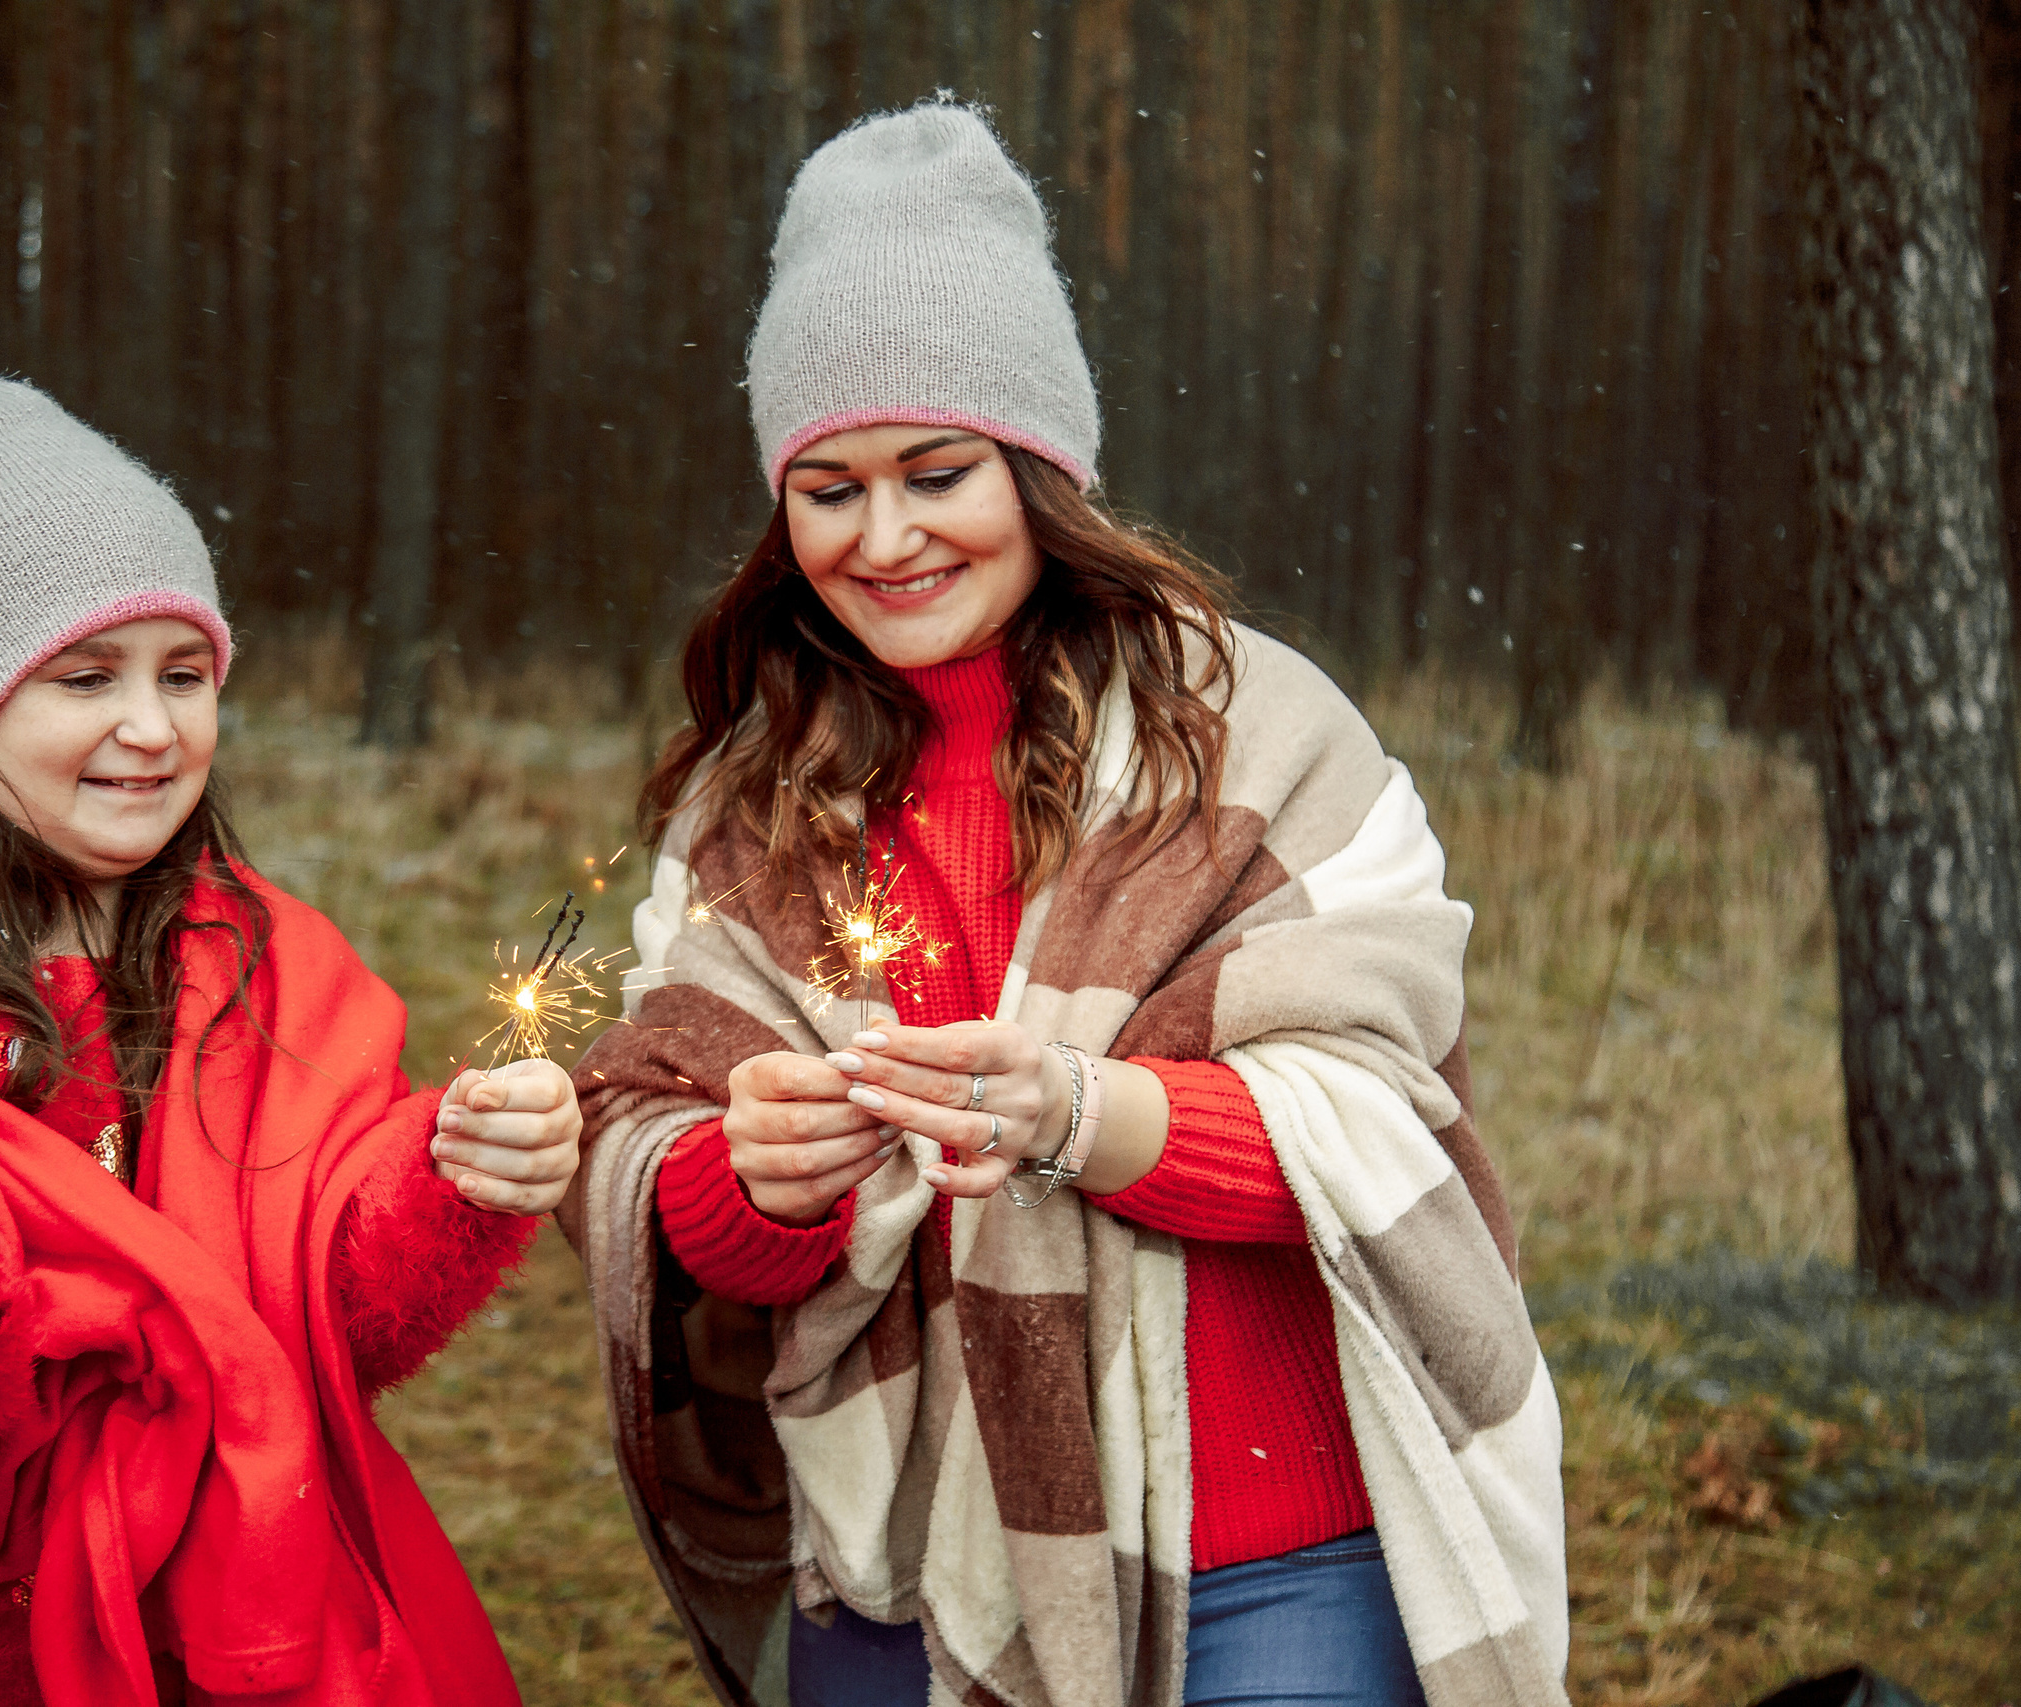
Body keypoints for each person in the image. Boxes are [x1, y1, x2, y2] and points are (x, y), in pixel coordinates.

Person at [566, 103, 1567, 1707]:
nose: (886, 538)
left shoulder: (1259, 738)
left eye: (937, 474)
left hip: (1269, 1557)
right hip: (900, 1569)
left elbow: (1383, 1123)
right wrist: (748, 1185)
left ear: (1042, 470)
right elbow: (636, 1144)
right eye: (828, 489)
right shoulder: (749, 809)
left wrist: (1082, 1114)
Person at [0, 380, 575, 1706]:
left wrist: (455, 1175)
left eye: (183, 674)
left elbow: (330, 1325)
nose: (153, 727)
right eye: (86, 677)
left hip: (222, 1625)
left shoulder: (280, 978)